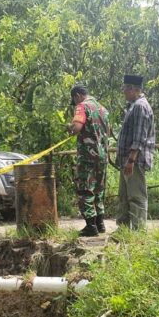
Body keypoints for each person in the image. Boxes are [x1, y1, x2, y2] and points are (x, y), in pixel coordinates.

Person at [67, 85, 110, 237]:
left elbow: (77, 128)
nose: (75, 102)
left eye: (74, 100)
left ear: (77, 95)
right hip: (103, 156)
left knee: (85, 189)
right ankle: (100, 224)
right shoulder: (102, 109)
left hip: (87, 157)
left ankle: (90, 226)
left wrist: (70, 128)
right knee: (99, 189)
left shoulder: (82, 107)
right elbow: (108, 131)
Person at [116, 74, 155, 231]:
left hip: (134, 160)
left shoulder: (140, 106)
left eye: (125, 88)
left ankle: (139, 232)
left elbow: (139, 137)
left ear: (132, 89)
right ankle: (123, 230)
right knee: (124, 196)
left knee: (136, 196)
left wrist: (131, 160)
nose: (123, 91)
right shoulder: (133, 105)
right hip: (127, 159)